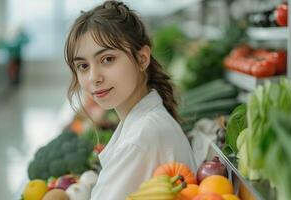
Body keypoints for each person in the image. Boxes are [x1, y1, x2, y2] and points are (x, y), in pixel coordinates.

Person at [64, 1, 197, 199]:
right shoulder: (144, 123)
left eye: (107, 59)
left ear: (142, 58)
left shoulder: (140, 139)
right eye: (83, 66)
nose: (93, 78)